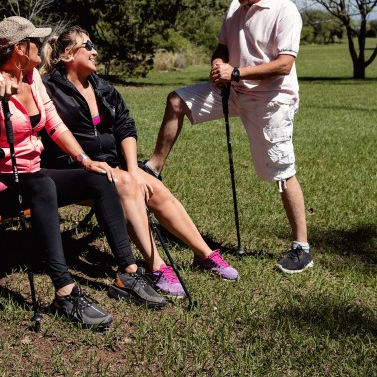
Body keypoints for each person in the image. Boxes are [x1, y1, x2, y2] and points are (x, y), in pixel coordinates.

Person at [0, 16, 166, 330]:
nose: (42, 45)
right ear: (17, 49)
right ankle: (65, 292)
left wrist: (84, 159)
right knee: (42, 185)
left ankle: (128, 273)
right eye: (35, 41)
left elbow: (53, 123)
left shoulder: (32, 76)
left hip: (31, 177)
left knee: (99, 178)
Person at [144, 0, 313, 274]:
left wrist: (235, 73)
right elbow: (223, 45)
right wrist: (218, 64)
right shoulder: (236, 6)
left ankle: (301, 247)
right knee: (177, 100)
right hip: (232, 90)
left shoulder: (285, 11)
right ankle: (153, 168)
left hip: (270, 98)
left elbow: (284, 64)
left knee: (281, 172)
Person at [40, 26, 238, 297]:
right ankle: (155, 266)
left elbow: (125, 126)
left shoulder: (102, 88)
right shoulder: (48, 89)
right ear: (67, 54)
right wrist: (120, 174)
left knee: (153, 187)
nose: (95, 51)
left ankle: (203, 254)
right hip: (72, 169)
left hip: (112, 166)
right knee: (126, 185)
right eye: (88, 46)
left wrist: (134, 169)